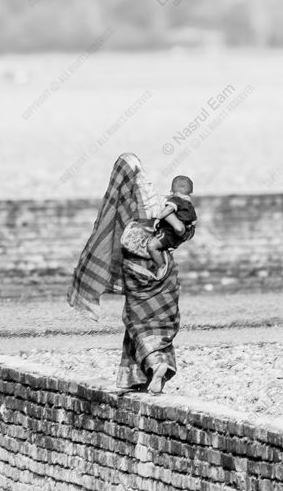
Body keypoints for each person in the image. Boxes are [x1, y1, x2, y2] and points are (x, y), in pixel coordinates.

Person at [67, 153, 181, 395]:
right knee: (160, 318)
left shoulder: (127, 208)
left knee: (137, 319)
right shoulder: (161, 203)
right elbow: (180, 230)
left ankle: (156, 363)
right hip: (164, 267)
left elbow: (115, 235)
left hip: (137, 268)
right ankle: (140, 375)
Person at [147, 175, 197, 278]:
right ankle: (170, 246)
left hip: (170, 233)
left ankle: (161, 266)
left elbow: (169, 209)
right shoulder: (190, 206)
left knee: (151, 247)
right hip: (184, 235)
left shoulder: (176, 199)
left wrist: (159, 216)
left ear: (172, 191)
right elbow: (194, 223)